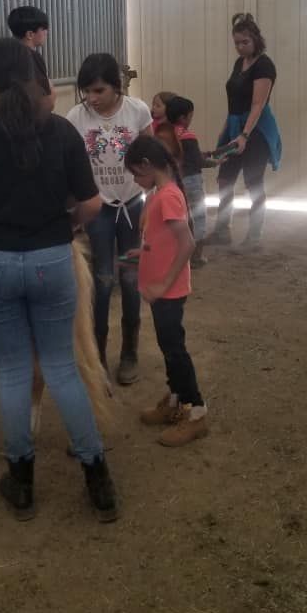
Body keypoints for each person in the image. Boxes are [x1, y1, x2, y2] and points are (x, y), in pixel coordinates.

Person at [0, 38, 117, 523]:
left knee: (13, 372)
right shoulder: (59, 132)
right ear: (35, 81)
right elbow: (92, 205)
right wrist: (64, 225)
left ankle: (22, 481)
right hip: (52, 260)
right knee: (61, 367)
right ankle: (98, 478)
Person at [66, 54, 153, 385]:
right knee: (102, 281)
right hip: (98, 208)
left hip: (132, 204)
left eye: (99, 90)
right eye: (87, 91)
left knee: (130, 279)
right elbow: (70, 164)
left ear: (116, 87)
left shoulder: (138, 111)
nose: (92, 98)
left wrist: (154, 200)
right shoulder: (76, 117)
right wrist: (73, 208)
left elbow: (152, 156)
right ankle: (98, 355)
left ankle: (129, 352)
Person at [123, 135, 208, 447]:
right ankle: (175, 400)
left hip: (168, 292)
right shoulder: (158, 194)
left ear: (147, 165)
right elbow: (163, 240)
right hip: (160, 291)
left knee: (175, 350)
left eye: (135, 173)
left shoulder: (169, 196)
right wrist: (142, 252)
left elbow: (187, 244)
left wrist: (163, 283)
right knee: (168, 346)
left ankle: (196, 412)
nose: (135, 179)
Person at [210, 13, 281, 251]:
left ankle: (255, 237)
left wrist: (245, 135)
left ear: (256, 39)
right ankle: (222, 230)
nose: (240, 47)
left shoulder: (264, 64)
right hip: (235, 126)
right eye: (237, 43)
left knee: (253, 182)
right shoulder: (239, 63)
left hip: (256, 130)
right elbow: (234, 104)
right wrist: (226, 133)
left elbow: (257, 104)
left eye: (245, 42)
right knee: (225, 179)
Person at [164, 95, 215, 268]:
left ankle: (176, 253)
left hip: (172, 183)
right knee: (198, 217)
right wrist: (213, 162)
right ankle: (196, 257)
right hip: (191, 181)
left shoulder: (165, 134)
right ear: (183, 118)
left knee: (179, 218)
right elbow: (197, 161)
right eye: (190, 116)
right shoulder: (188, 135)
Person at [7, 4, 54, 105]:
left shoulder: (4, 55)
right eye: (44, 28)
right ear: (30, 34)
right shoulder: (32, 57)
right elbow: (47, 100)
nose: (47, 32)